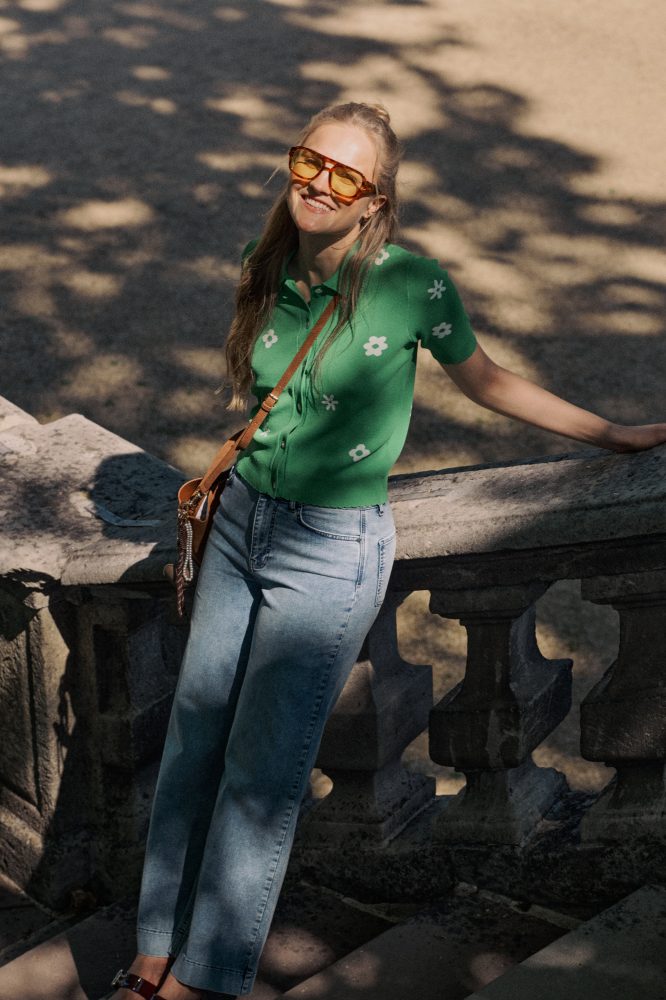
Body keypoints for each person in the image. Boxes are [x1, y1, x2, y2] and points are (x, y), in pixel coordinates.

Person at [110, 102, 666, 1000]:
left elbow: (485, 380)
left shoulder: (412, 285)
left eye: (346, 176)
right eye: (310, 162)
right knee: (191, 742)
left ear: (375, 200)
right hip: (241, 526)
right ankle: (150, 950)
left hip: (328, 554)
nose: (320, 185)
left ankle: (205, 979)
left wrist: (614, 433)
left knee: (260, 776)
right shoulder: (264, 262)